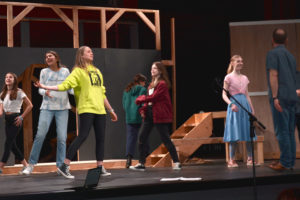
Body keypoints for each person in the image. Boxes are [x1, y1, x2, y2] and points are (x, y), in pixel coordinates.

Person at [34, 46, 118, 179]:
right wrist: (45, 86)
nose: (91, 53)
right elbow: (64, 86)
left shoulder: (97, 71)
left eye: (91, 51)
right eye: (88, 51)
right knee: (82, 136)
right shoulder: (77, 71)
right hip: (86, 108)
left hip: (100, 110)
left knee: (101, 139)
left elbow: (102, 93)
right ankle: (64, 165)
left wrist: (111, 110)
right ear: (82, 55)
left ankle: (100, 166)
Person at [22, 51, 73, 175]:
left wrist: (78, 92)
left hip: (62, 108)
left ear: (56, 58)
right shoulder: (44, 72)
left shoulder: (65, 71)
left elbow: (70, 88)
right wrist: (45, 92)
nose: (47, 58)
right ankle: (31, 165)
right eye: (46, 57)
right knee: (40, 135)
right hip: (47, 107)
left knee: (62, 138)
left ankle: (60, 167)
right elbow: (40, 89)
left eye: (50, 56)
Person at [129, 61, 181, 171]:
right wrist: (143, 108)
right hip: (150, 113)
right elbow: (149, 100)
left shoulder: (162, 84)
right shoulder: (151, 85)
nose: (152, 70)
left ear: (160, 71)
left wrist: (141, 98)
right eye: (152, 68)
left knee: (165, 138)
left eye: (155, 69)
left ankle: (176, 162)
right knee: (142, 137)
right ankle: (141, 163)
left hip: (159, 114)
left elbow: (154, 97)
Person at [266, 28, 298, 171]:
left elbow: (274, 75)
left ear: (272, 40)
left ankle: (285, 162)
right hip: (292, 96)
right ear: (286, 40)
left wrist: (275, 97)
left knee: (282, 131)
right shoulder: (291, 56)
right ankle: (290, 162)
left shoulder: (272, 54)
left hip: (281, 96)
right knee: (290, 131)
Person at [222, 55, 256, 168]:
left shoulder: (245, 78)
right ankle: (231, 159)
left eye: (242, 61)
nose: (240, 63)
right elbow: (223, 95)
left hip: (244, 105)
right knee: (234, 132)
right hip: (234, 105)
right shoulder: (228, 77)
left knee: (247, 131)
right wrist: (231, 104)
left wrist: (252, 109)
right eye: (238, 61)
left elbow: (247, 95)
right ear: (232, 63)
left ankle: (250, 158)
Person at [0, 72, 33, 174]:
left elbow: (30, 105)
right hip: (7, 120)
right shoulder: (2, 94)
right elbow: (1, 111)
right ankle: (26, 166)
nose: (8, 79)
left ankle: (1, 166)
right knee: (12, 145)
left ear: (14, 80)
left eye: (10, 77)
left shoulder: (19, 92)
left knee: (8, 143)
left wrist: (22, 117)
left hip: (16, 119)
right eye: (6, 77)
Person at [122, 73, 148, 168]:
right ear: (141, 82)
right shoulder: (143, 89)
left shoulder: (126, 90)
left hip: (129, 117)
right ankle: (144, 159)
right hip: (140, 117)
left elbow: (124, 105)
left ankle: (128, 160)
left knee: (130, 139)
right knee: (144, 137)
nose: (145, 84)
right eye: (144, 82)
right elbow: (143, 103)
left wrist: (129, 112)